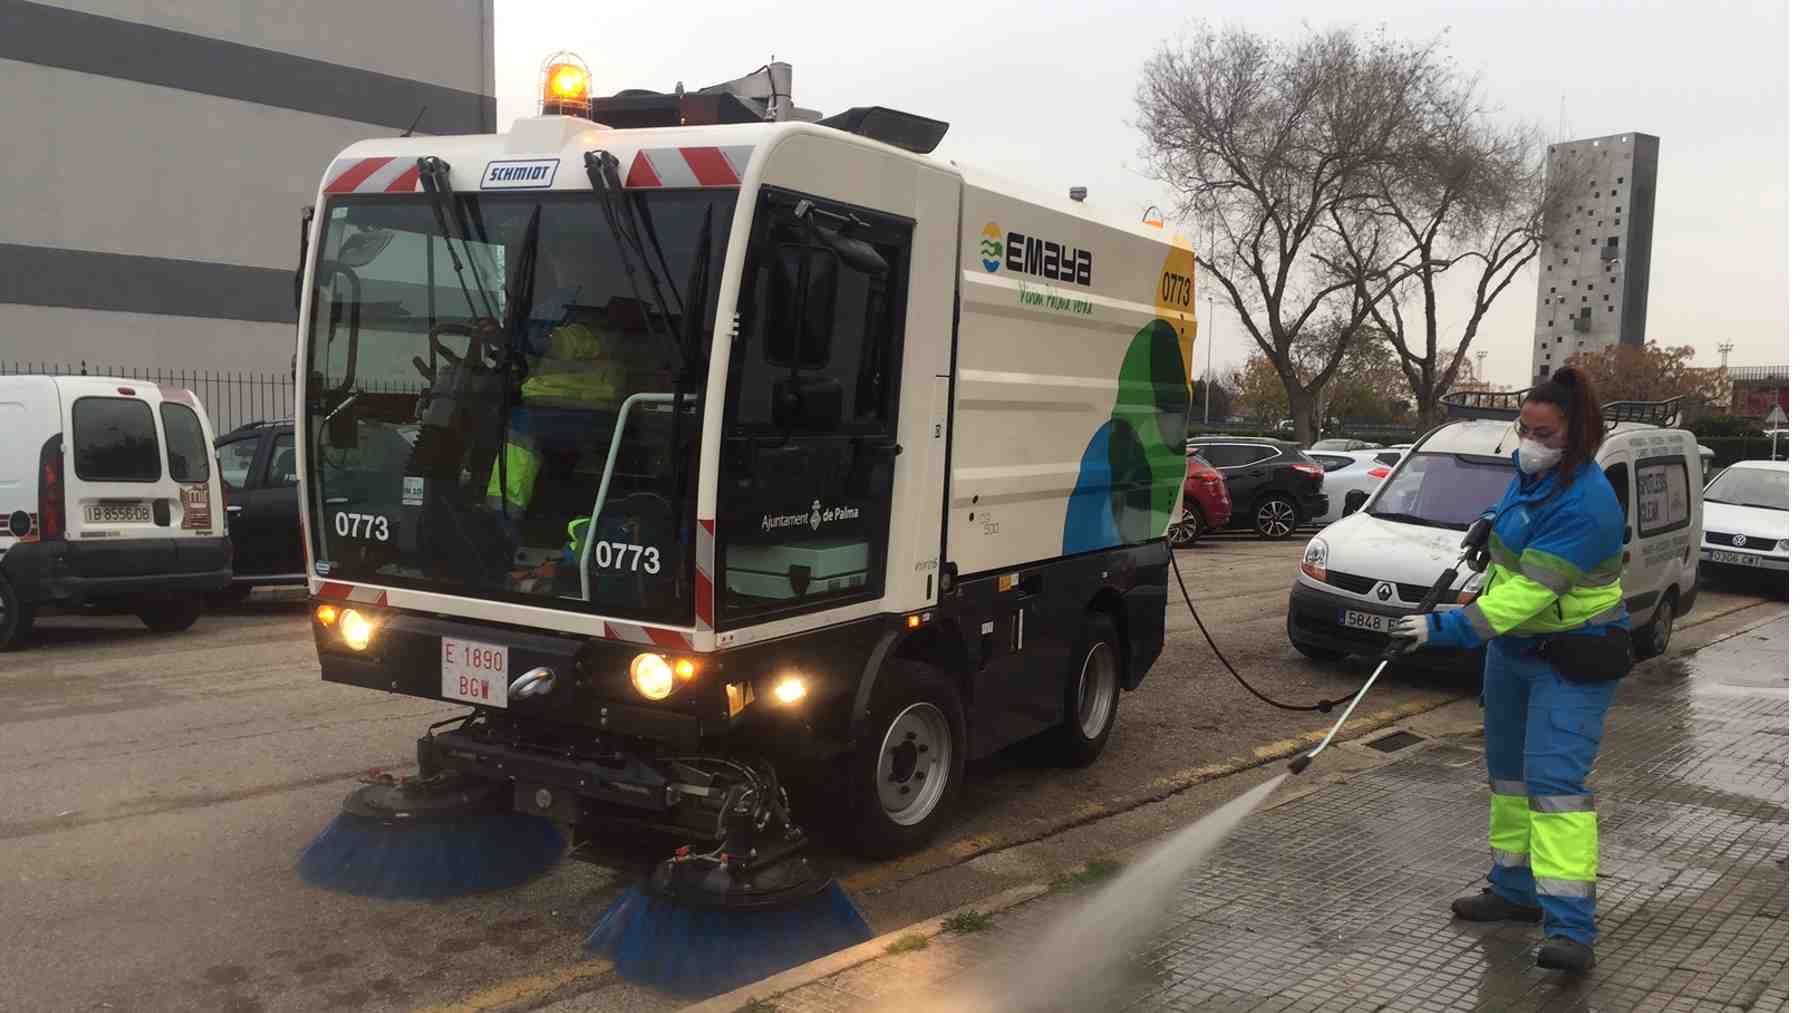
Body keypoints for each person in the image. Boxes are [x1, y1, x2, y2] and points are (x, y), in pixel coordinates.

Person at [1389, 366, 1628, 973]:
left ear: (1574, 436)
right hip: (1515, 654)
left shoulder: (1589, 503)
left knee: (1555, 792)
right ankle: (1514, 893)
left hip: (1570, 657)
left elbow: (1529, 597)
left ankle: (1572, 931)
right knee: (1509, 782)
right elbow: (1513, 534)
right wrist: (1487, 529)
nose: (1527, 441)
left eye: (1541, 432)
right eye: (1523, 428)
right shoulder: (1530, 475)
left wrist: (1441, 627)